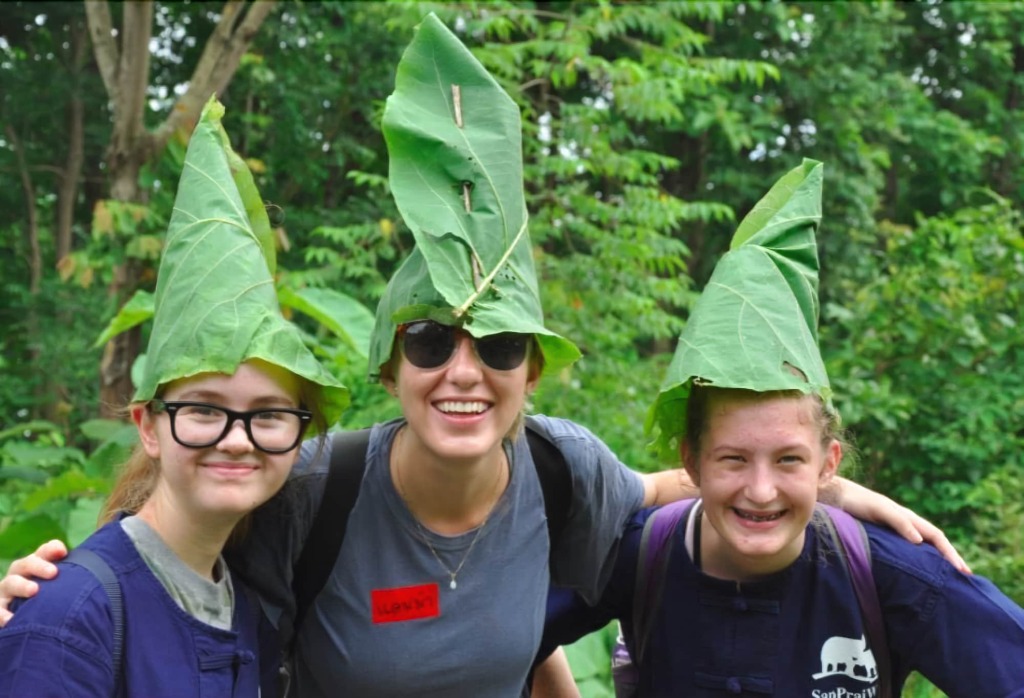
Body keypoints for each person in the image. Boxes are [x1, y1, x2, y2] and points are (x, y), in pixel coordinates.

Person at [0, 17, 965, 698]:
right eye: (429, 341)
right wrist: (47, 599)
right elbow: (160, 554)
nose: (464, 370)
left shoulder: (565, 469)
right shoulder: (308, 489)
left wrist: (824, 489)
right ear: (388, 369)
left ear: (531, 372)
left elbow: (684, 489)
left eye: (498, 344)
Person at [540, 160, 1024, 697]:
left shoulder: (892, 573)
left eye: (789, 459)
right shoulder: (639, 555)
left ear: (828, 463)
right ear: (692, 460)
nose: (761, 490)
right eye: (733, 459)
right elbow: (497, 636)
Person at [0, 98, 348, 697]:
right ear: (148, 425)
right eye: (205, 409)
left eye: (268, 414)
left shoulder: (245, 608)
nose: (236, 440)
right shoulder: (71, 619)